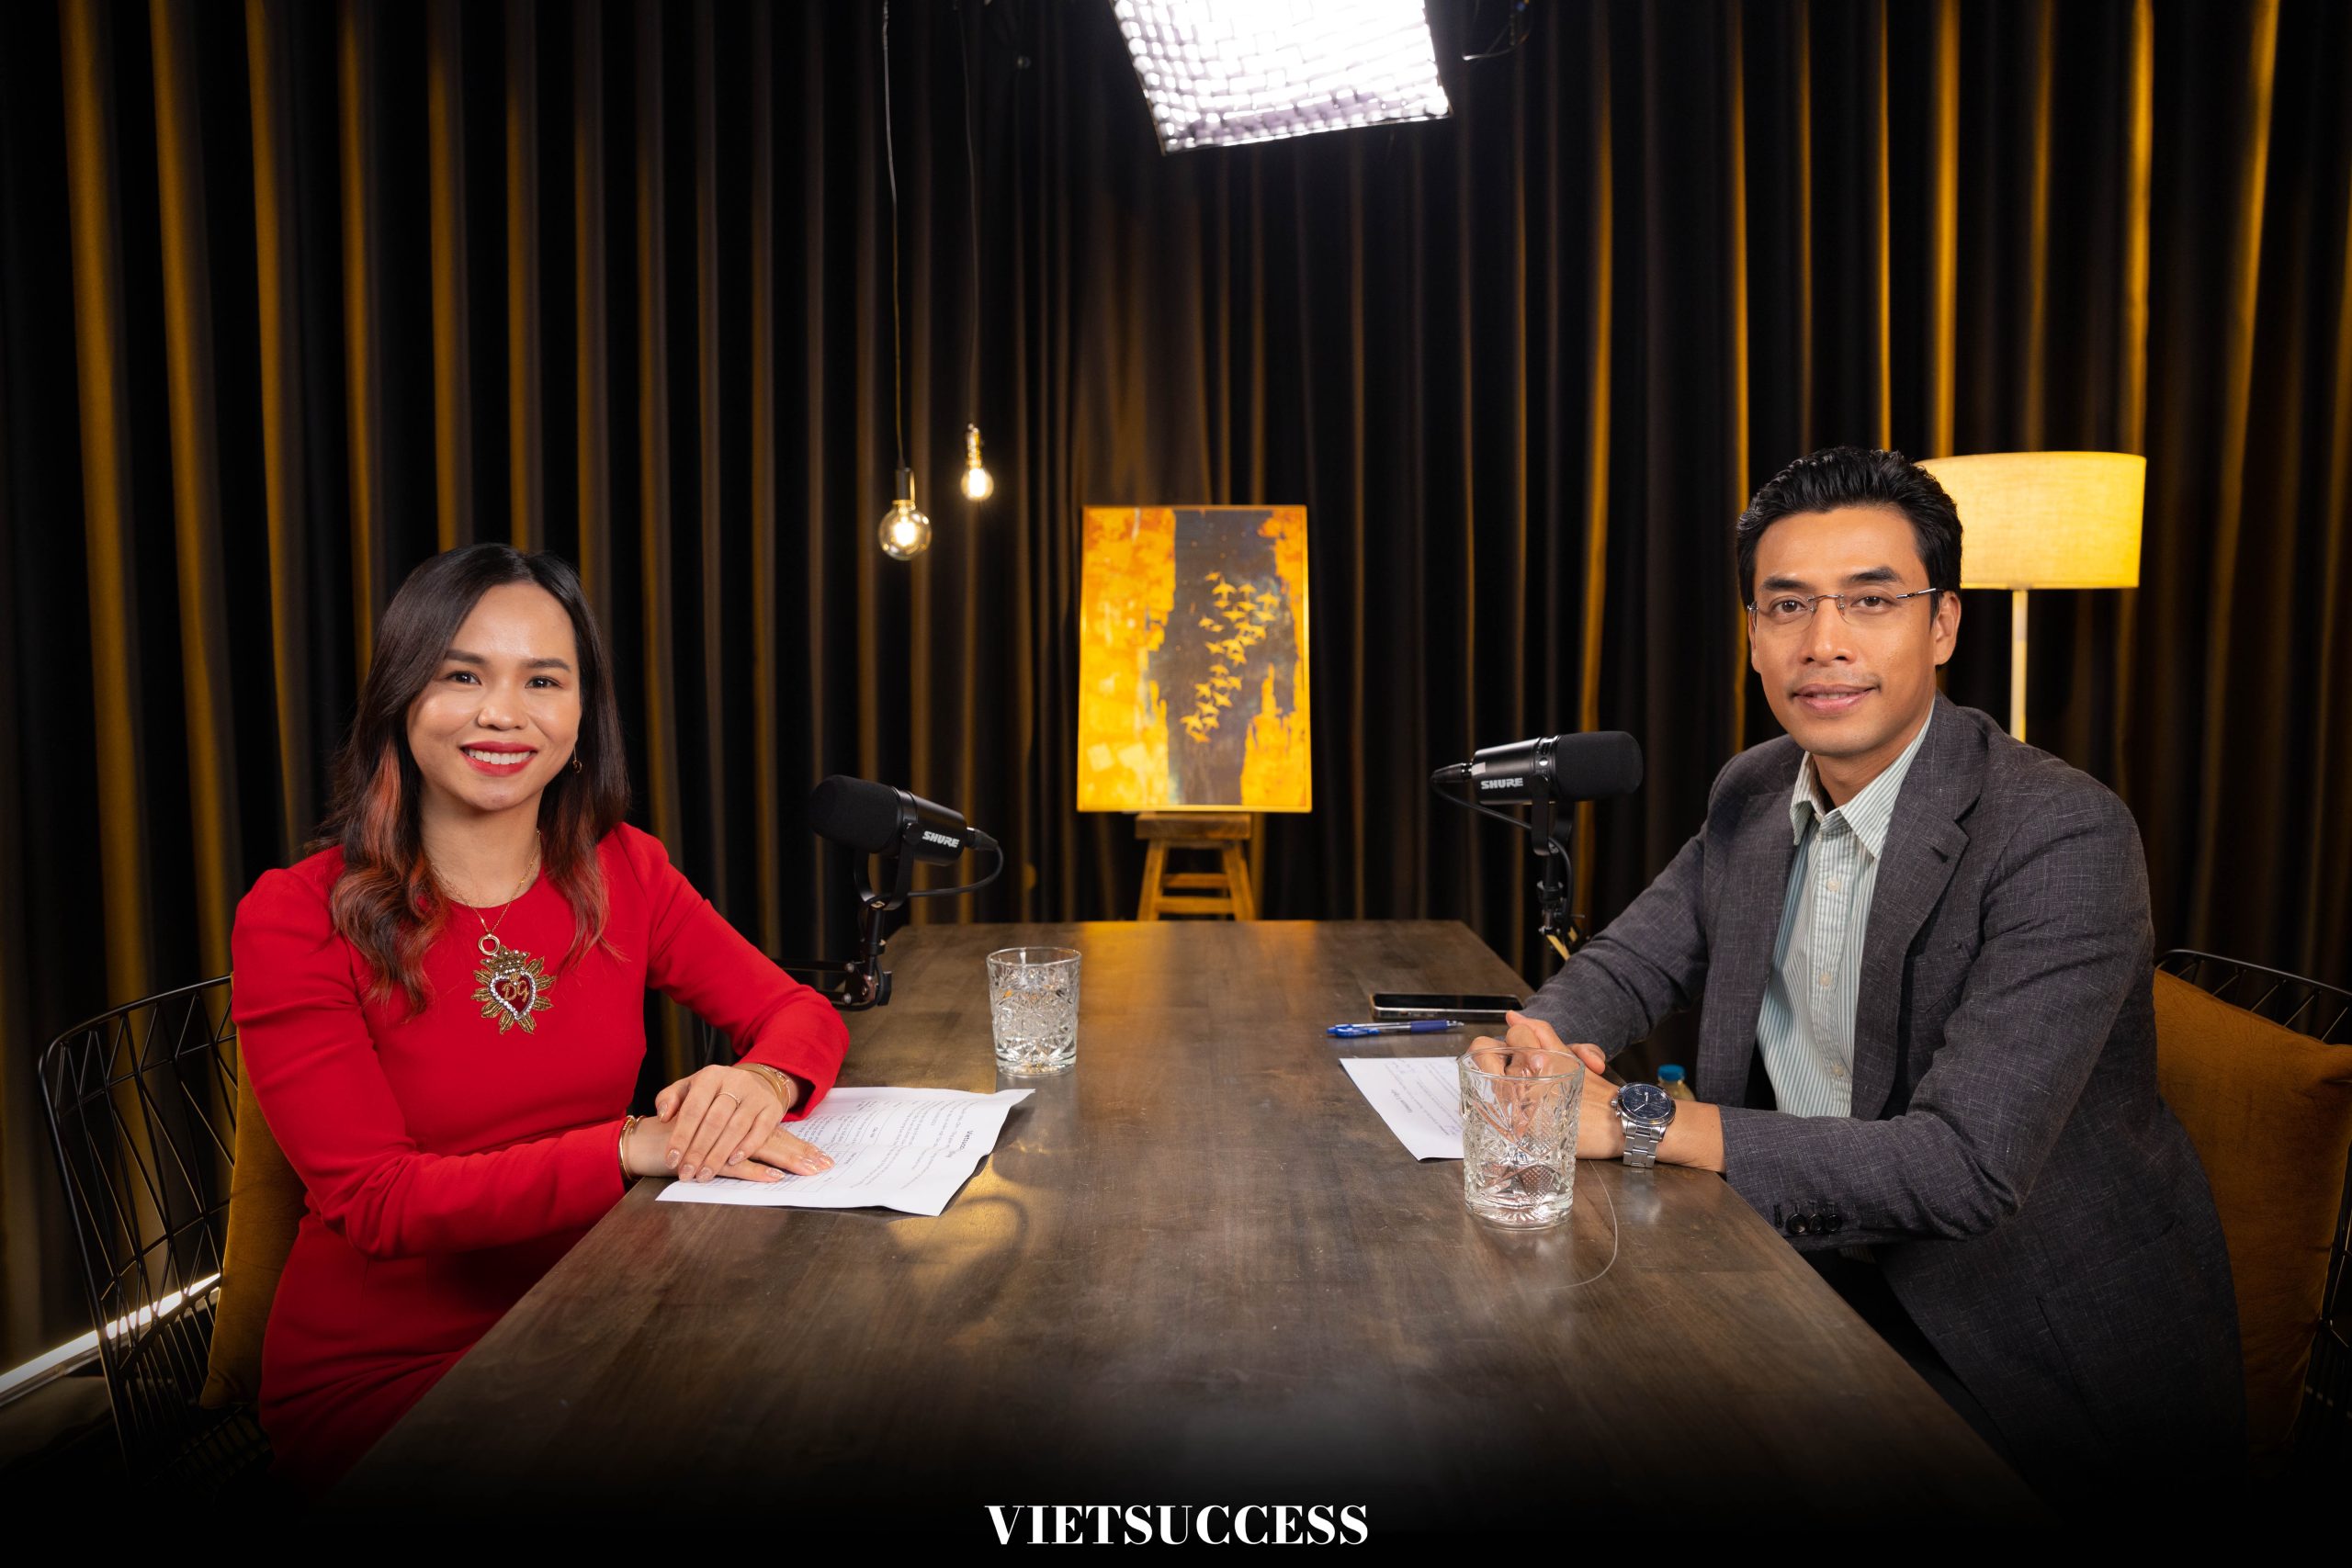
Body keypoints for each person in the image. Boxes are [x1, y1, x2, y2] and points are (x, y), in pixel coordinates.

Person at [1504, 446, 2243, 1495]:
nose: (1824, 643)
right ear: (1752, 634)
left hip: (2021, 1343)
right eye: (1786, 606)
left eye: (1871, 600)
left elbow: (1962, 1168)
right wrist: (1534, 1045)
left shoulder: (2061, 833)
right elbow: (1630, 961)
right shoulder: (1753, 790)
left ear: (1941, 625)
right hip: (1802, 1265)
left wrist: (1639, 1120)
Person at [231, 543, 850, 1492]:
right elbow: (376, 1201)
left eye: (543, 680)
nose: (503, 713)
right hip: (395, 1372)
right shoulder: (295, 913)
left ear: (580, 714)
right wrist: (633, 1145)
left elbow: (795, 1009)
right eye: (462, 675)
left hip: (606, 1309)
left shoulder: (623, 867)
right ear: (401, 696)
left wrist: (760, 1080)